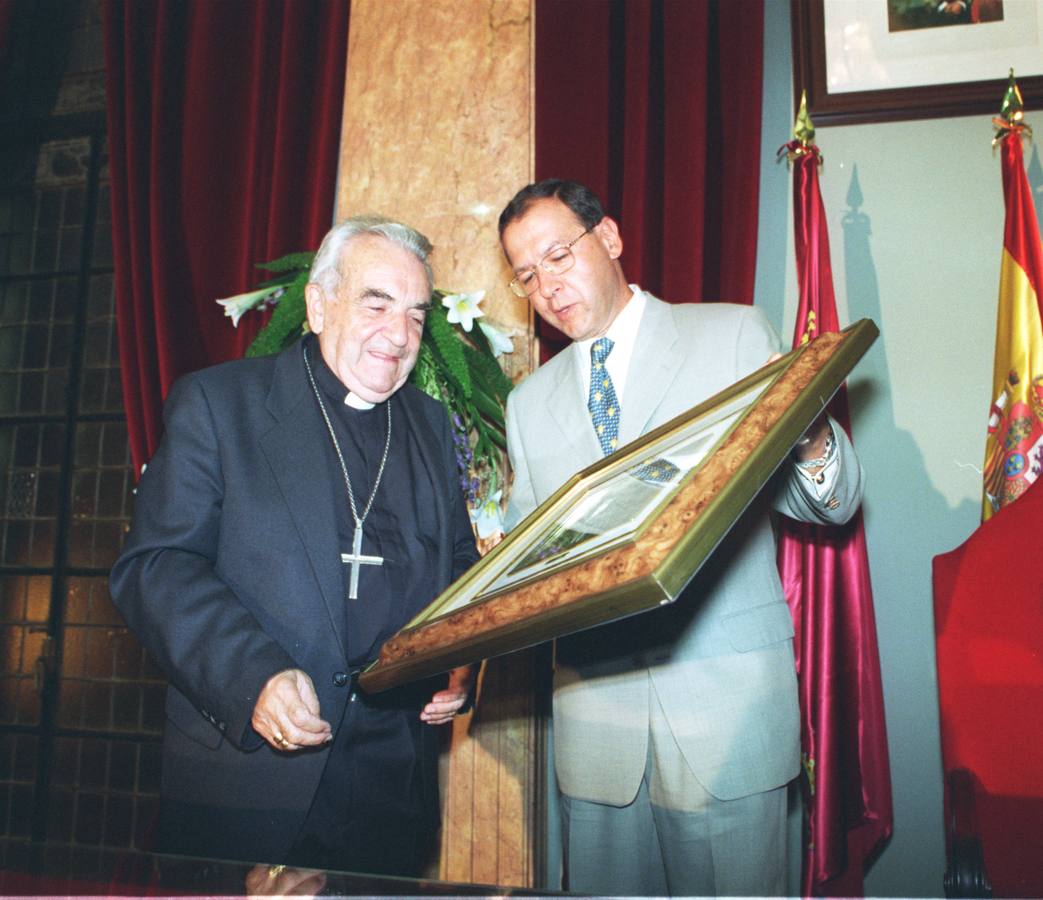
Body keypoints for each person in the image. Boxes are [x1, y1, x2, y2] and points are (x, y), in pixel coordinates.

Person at [498, 180, 865, 896]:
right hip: (595, 727)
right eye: (526, 275)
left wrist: (810, 435)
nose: (546, 285)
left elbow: (827, 505)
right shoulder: (526, 402)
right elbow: (529, 551)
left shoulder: (728, 334)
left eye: (557, 255)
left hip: (724, 712)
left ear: (608, 238)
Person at [110, 215, 479, 876]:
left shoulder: (427, 423)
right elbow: (156, 568)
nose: (398, 337)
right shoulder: (220, 405)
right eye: (376, 304)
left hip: (393, 788)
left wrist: (458, 656)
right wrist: (251, 674)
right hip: (251, 785)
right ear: (317, 303)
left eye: (417, 316)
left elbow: (457, 565)